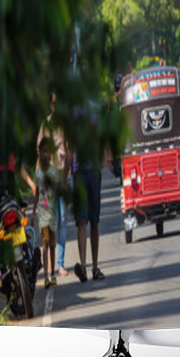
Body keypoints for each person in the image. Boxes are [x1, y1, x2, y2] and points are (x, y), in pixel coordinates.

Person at [70, 107, 105, 283]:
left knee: (94, 221)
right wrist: (65, 176)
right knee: (81, 221)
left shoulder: (94, 108)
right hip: (79, 171)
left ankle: (95, 267)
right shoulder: (72, 112)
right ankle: (83, 266)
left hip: (93, 170)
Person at [37, 92, 69, 277]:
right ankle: (49, 263)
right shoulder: (46, 125)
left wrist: (67, 176)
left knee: (63, 220)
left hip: (63, 177)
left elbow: (69, 149)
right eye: (55, 104)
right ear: (51, 106)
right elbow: (39, 149)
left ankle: (60, 263)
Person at [34, 138, 59, 288]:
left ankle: (53, 274)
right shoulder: (37, 173)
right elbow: (36, 193)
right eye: (43, 152)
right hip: (42, 213)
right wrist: (33, 213)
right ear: (40, 154)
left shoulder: (53, 171)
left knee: (52, 245)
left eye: (47, 152)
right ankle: (45, 277)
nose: (45, 155)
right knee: (45, 243)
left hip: (52, 213)